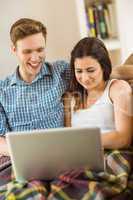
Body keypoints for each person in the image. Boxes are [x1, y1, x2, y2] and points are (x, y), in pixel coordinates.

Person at [0, 18, 71, 156]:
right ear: (14, 50)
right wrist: (26, 153)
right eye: (27, 51)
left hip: (59, 154)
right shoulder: (2, 91)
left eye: (40, 50)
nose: (35, 58)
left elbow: (99, 73)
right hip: (21, 157)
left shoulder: (60, 71)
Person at [63, 37, 132, 149]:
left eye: (91, 70)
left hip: (109, 156)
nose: (85, 78)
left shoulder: (117, 89)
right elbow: (68, 138)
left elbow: (124, 139)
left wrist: (83, 141)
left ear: (103, 67)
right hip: (77, 158)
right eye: (79, 71)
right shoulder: (70, 98)